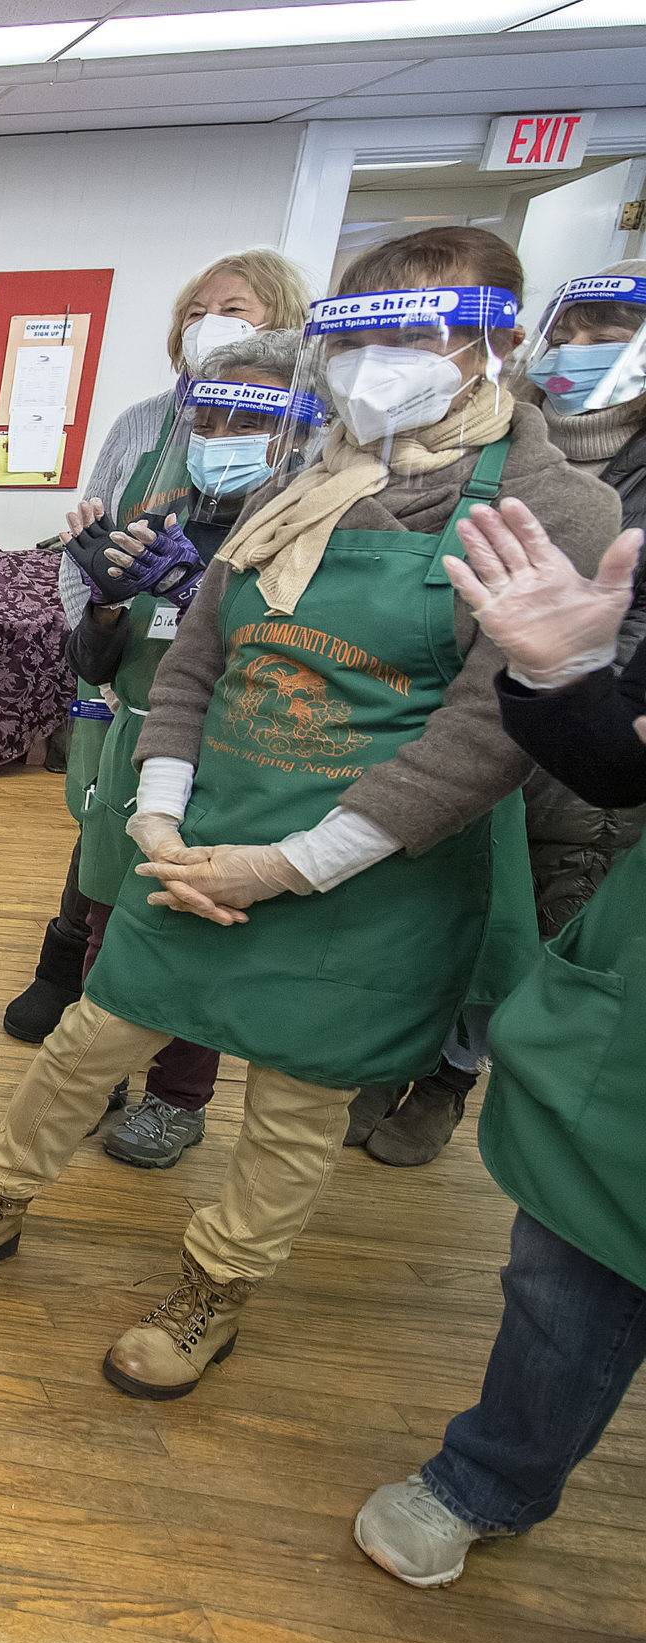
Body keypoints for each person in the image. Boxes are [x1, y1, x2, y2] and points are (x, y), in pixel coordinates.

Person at [0, 226, 620, 1401]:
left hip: (371, 865)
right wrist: (158, 820)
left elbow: (484, 736)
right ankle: (0, 1194)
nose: (371, 366)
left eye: (410, 338)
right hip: (202, 834)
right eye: (355, 338)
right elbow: (191, 667)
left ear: (492, 342)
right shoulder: (300, 488)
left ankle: (213, 1288)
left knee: (295, 1102)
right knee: (93, 1038)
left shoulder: (553, 507)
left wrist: (290, 865)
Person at [354, 496, 646, 1587]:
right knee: (567, 1274)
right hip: (633, 1044)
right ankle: (491, 1478)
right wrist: (565, 681)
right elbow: (619, 768)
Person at [346, 259, 646, 1167]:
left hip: (593, 731)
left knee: (522, 918)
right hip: (473, 704)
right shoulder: (483, 444)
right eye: (580, 329)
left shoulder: (592, 490)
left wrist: (574, 665)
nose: (588, 351)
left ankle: (449, 1075)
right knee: (416, 904)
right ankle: (384, 1052)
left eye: (614, 334)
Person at [3, 249, 313, 1044]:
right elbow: (93, 541)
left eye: (235, 309)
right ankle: (65, 973)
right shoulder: (143, 423)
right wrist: (99, 619)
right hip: (124, 679)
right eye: (197, 309)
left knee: (189, 859)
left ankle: (173, 1062)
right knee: (102, 831)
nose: (209, 323)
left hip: (234, 697)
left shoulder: (306, 443)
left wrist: (193, 595)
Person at [56, 330, 308, 1168]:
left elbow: (288, 661)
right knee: (105, 921)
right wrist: (102, 603)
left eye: (248, 421)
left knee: (190, 935)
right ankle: (103, 1076)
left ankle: (178, 1097)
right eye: (210, 416)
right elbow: (99, 662)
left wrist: (194, 591)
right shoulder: (159, 518)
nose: (222, 438)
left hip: (228, 755)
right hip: (132, 739)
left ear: (296, 432)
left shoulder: (299, 537)